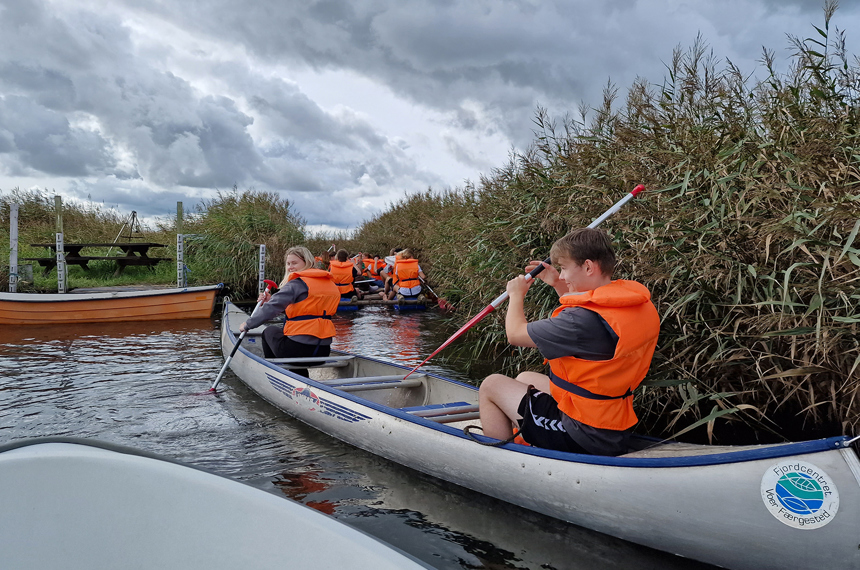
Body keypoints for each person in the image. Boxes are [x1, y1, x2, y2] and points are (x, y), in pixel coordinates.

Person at [477, 228, 660, 456]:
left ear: (588, 267)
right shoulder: (636, 305)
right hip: (613, 422)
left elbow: (515, 334)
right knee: (525, 378)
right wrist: (557, 284)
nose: (562, 275)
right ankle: (529, 434)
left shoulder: (580, 322)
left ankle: (500, 460)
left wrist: (516, 295)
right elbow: (588, 320)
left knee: (491, 385)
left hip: (582, 433)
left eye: (564, 269)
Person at [239, 246, 340, 377]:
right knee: (286, 336)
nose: (290, 267)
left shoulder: (296, 284)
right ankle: (301, 379)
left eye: (294, 263)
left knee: (269, 331)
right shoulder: (329, 284)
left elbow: (271, 309)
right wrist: (270, 300)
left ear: (307, 262)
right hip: (322, 352)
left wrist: (247, 324)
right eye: (288, 263)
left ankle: (273, 374)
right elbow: (306, 311)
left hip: (298, 351)